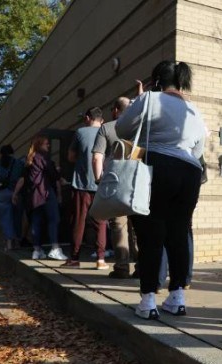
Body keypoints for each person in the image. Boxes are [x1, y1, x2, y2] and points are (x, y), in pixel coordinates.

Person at [116, 60, 207, 319]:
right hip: (189, 172)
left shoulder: (149, 99)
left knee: (150, 234)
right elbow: (198, 150)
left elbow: (122, 129)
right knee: (179, 233)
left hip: (157, 167)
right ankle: (177, 297)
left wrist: (139, 102)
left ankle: (148, 300)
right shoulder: (194, 110)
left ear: (156, 81)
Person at [92, 97, 139, 279]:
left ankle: (122, 267)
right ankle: (141, 267)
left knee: (118, 225)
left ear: (116, 110)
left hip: (114, 182)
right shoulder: (138, 128)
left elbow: (97, 157)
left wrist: (98, 180)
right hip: (135, 182)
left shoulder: (107, 128)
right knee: (137, 225)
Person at [62, 107, 108, 270]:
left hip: (82, 184)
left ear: (88, 118)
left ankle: (74, 258)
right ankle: (101, 259)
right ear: (101, 120)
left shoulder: (80, 132)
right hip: (102, 184)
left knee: (79, 221)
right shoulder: (108, 131)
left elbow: (70, 156)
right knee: (101, 222)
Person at [12, 135, 67, 261]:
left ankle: (37, 250)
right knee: (54, 219)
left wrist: (15, 194)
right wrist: (58, 174)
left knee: (36, 223)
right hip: (45, 193)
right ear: (39, 145)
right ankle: (55, 248)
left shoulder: (29, 160)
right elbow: (52, 174)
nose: (48, 145)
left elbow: (23, 179)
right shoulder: (42, 157)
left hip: (33, 196)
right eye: (46, 143)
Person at [0, 144, 24, 250]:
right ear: (12, 152)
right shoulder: (19, 163)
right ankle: (16, 240)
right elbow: (22, 180)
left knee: (5, 219)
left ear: (1, 153)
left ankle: (8, 243)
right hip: (16, 193)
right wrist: (16, 193)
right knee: (17, 218)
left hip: (1, 194)